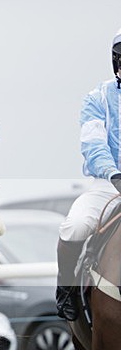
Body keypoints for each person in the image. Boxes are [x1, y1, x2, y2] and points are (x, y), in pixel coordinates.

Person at [56, 27, 121, 321]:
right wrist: (113, 173)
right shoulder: (98, 98)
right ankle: (66, 289)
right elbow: (93, 143)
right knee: (76, 226)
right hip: (110, 185)